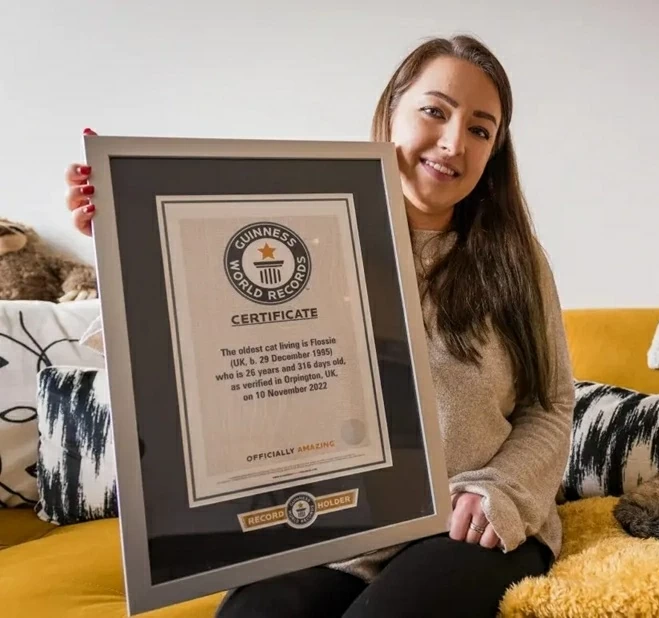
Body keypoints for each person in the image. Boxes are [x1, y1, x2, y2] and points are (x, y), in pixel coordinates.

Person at [63, 34, 575, 618]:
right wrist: (124, 239)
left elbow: (551, 403)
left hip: (469, 523)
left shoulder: (514, 260)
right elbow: (194, 362)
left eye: (480, 130)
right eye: (435, 111)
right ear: (390, 113)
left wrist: (500, 491)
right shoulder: (297, 239)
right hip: (331, 531)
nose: (454, 142)